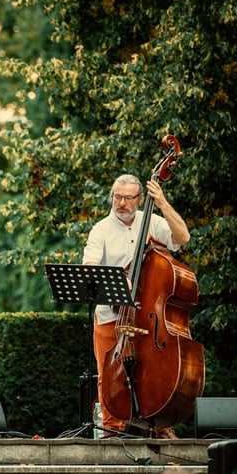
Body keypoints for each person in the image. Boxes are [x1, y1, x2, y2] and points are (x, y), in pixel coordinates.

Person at [82, 174, 191, 439]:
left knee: (156, 368)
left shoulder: (152, 220)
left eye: (128, 198)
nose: (120, 203)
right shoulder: (101, 229)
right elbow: (90, 266)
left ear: (140, 199)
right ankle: (111, 428)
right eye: (117, 197)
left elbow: (183, 237)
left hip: (149, 316)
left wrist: (162, 202)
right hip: (112, 315)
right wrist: (117, 285)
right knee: (106, 373)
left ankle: (161, 425)